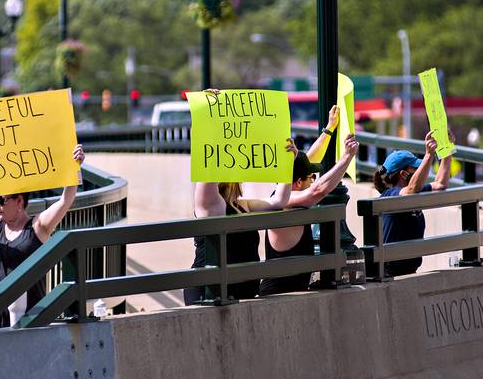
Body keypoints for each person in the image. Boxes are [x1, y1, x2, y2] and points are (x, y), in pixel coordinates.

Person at [0, 144, 85, 327]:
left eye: (0, 200)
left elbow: (65, 201)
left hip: (28, 320)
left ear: (19, 201)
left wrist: (75, 167)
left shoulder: (38, 227)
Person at [183, 138, 299, 305]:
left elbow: (278, 201)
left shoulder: (243, 205)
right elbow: (208, 174)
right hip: (209, 293)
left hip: (237, 294)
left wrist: (288, 164)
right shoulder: (210, 205)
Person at [260, 106, 359, 295]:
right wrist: (346, 157)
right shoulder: (283, 200)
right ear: (298, 182)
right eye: (310, 177)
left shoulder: (289, 190)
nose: (313, 179)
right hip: (277, 296)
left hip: (290, 293)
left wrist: (329, 129)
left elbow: (309, 160)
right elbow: (318, 190)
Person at [374, 131, 453, 277]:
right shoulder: (390, 196)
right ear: (404, 174)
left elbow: (440, 183)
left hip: (409, 273)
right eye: (415, 168)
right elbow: (411, 189)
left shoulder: (412, 192)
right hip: (389, 277)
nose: (420, 170)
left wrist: (447, 150)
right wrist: (428, 155)